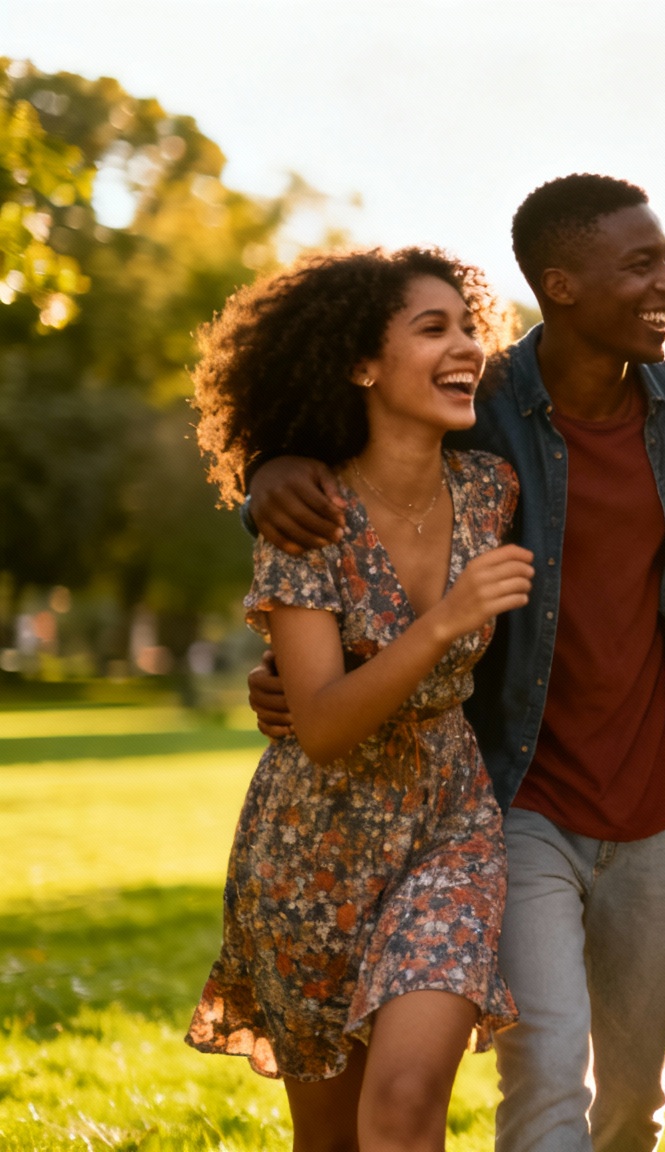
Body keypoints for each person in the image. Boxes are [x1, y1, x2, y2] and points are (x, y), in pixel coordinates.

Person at [242, 175, 665, 1152]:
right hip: (479, 803)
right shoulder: (487, 414)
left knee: (593, 1104)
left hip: (563, 810)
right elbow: (349, 424)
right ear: (561, 284)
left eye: (465, 327)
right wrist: (269, 468)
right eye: (642, 263)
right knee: (488, 1096)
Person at [185, 247, 530, 1151]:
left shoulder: (491, 489)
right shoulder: (307, 516)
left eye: (469, 327)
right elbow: (326, 725)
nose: (466, 347)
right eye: (433, 329)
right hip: (312, 846)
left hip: (451, 823)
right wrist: (446, 620)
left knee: (410, 1101)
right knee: (332, 1140)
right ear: (360, 364)